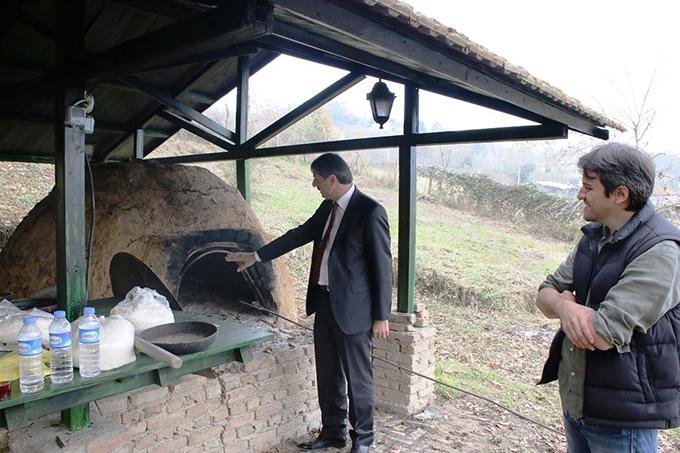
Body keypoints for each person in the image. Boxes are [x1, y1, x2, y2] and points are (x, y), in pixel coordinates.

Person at [225, 153, 392, 453]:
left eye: (316, 178)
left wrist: (382, 316)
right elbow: (298, 235)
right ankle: (332, 433)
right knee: (327, 374)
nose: (313, 184)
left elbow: (382, 267)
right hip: (324, 302)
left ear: (332, 179)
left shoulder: (370, 211)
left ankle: (363, 440)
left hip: (354, 311)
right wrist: (256, 256)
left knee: (358, 379)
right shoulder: (327, 208)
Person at [536, 143, 680, 453]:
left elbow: (602, 334)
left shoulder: (660, 251)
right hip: (579, 400)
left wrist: (564, 304)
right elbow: (545, 291)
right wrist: (564, 304)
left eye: (588, 187)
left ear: (620, 194)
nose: (579, 195)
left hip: (623, 416)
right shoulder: (595, 237)